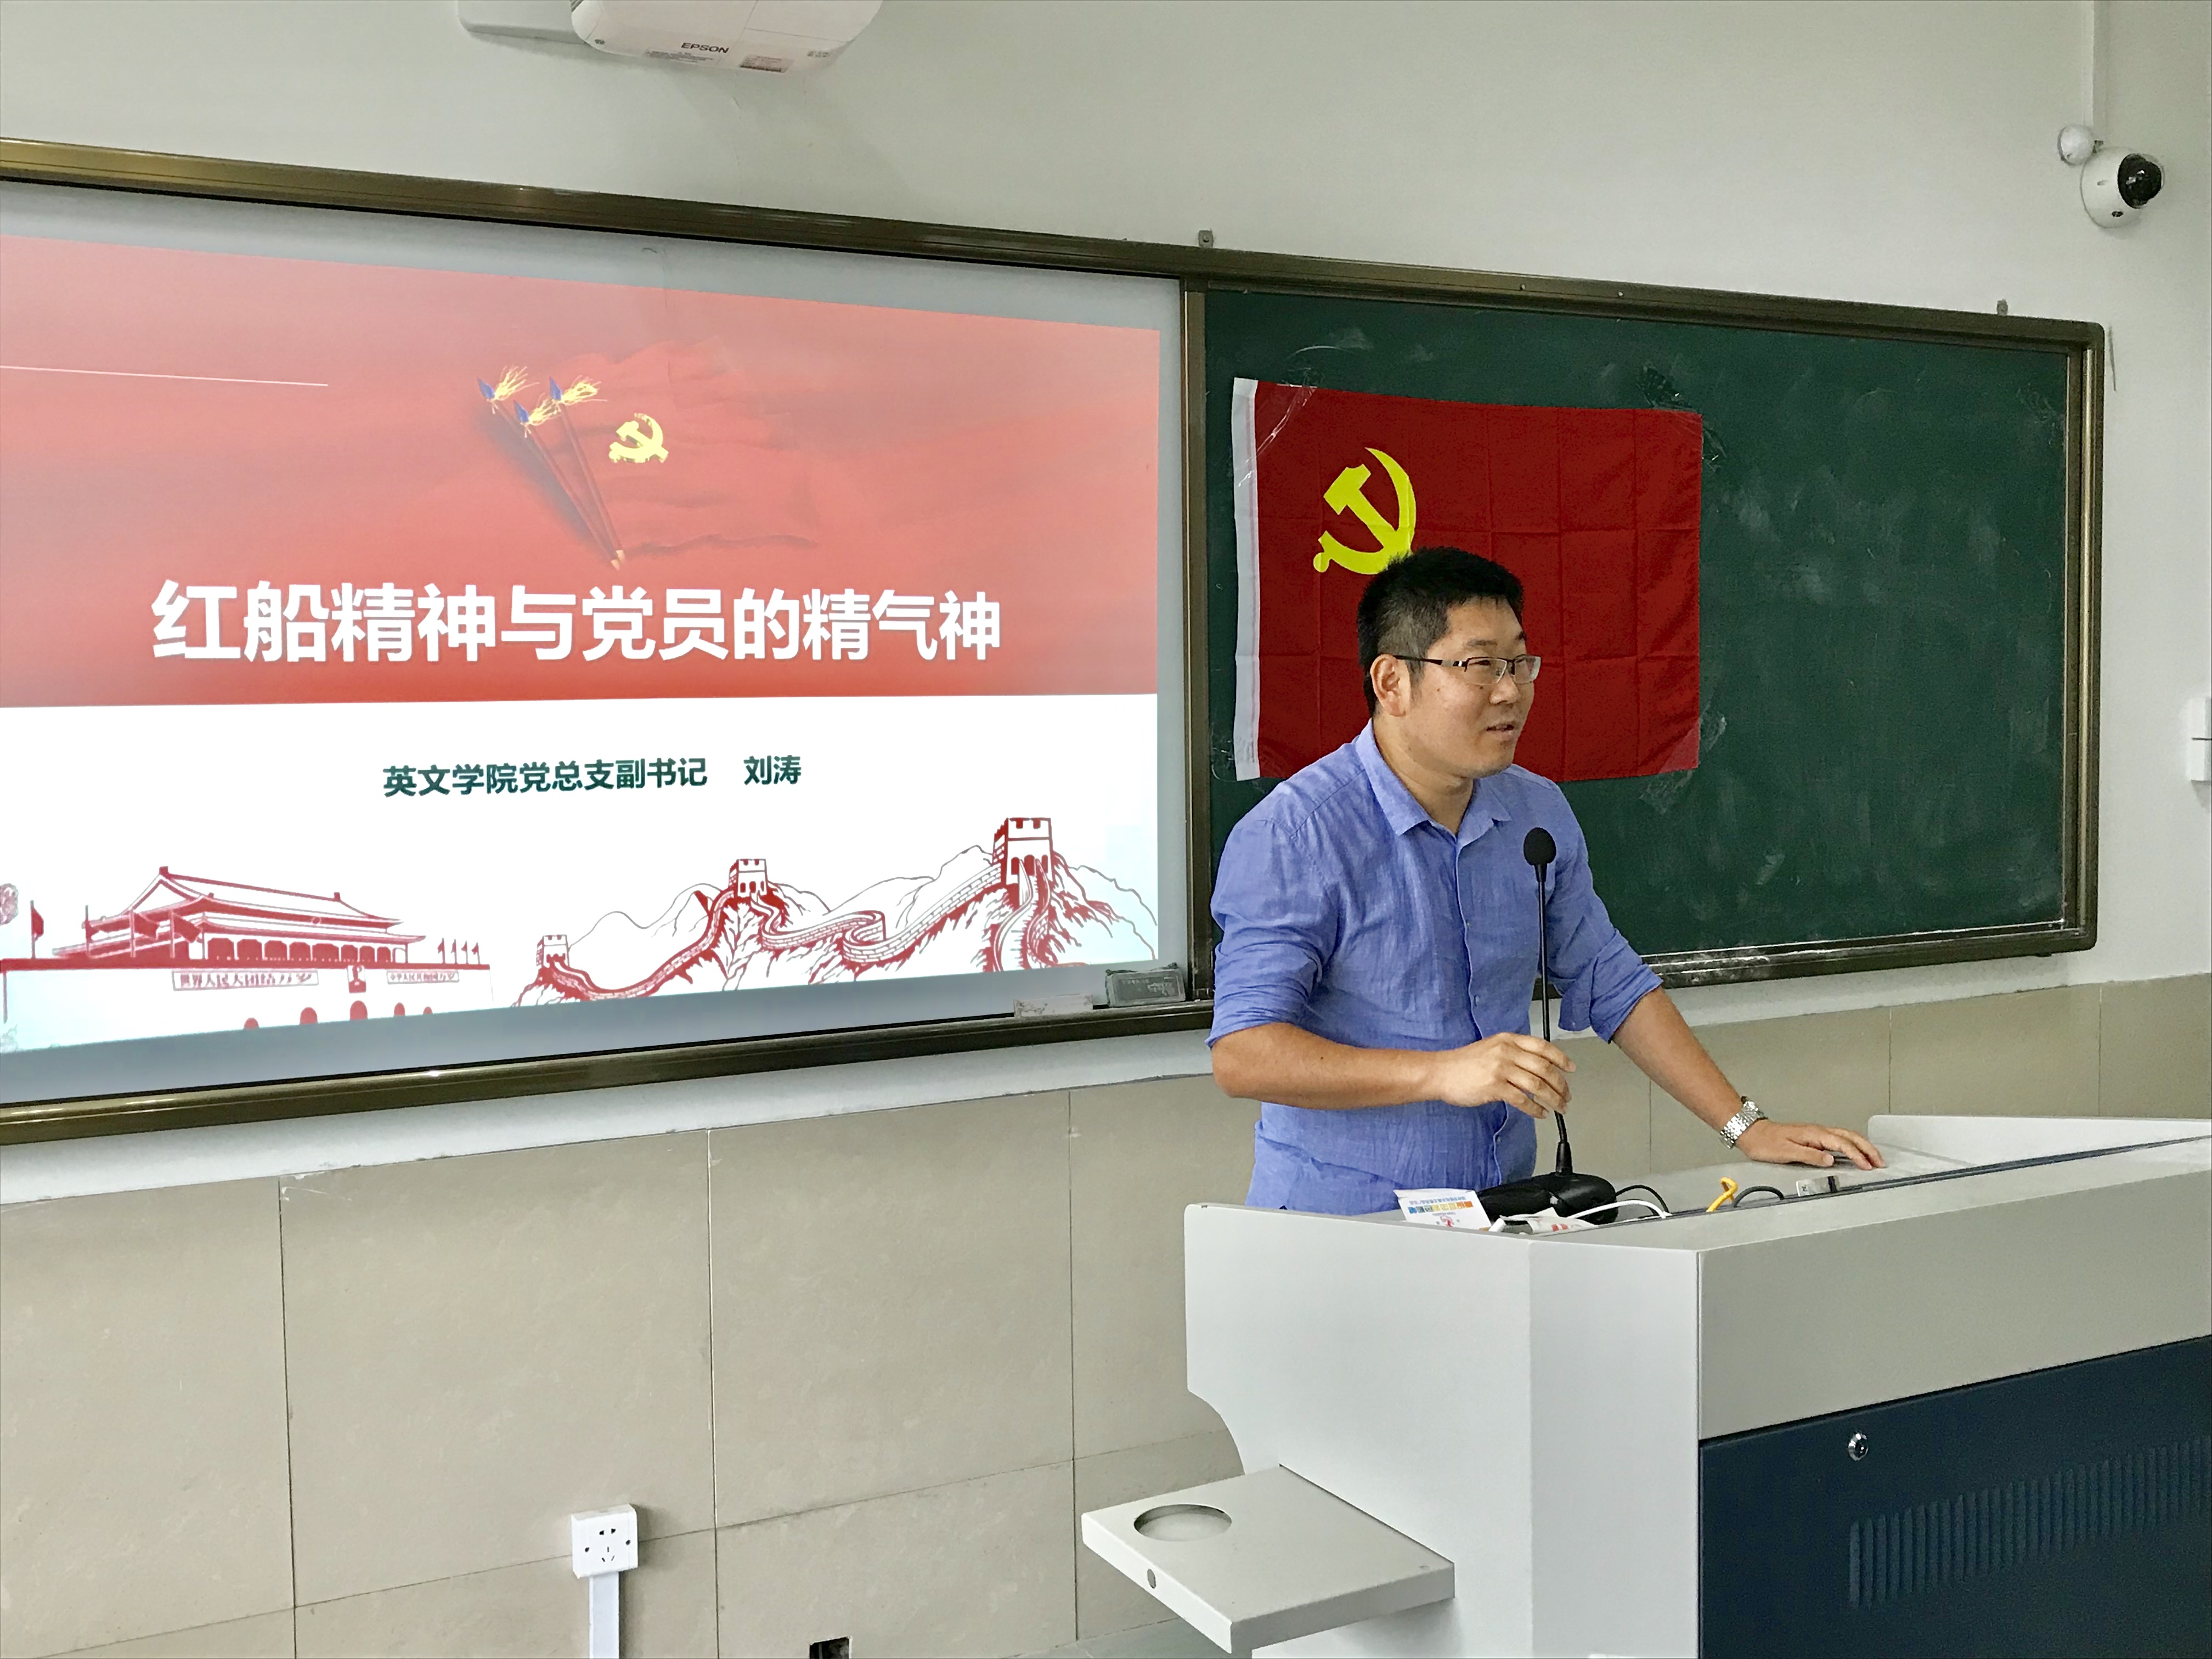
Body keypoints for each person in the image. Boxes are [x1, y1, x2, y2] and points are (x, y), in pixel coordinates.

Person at [1210, 546, 1881, 1214]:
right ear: (1392, 683)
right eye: (1479, 666)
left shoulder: (1534, 812)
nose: (1509, 691)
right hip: (1340, 1229)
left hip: (1503, 1212)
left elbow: (1611, 981)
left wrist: (1746, 1127)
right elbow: (1244, 1054)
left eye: (1519, 663)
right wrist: (1442, 1073)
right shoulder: (1295, 836)